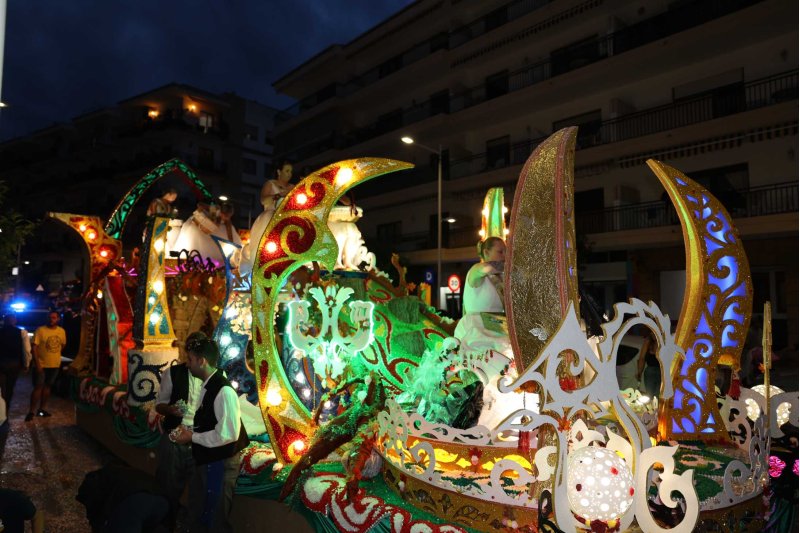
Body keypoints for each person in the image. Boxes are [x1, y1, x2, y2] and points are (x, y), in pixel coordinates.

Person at [173, 332, 249, 533]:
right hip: (209, 460)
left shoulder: (224, 391)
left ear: (201, 361)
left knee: (215, 519)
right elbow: (210, 423)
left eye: (190, 359)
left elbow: (228, 434)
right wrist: (190, 431)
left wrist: (192, 436)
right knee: (199, 511)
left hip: (220, 463)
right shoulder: (209, 386)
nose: (187, 364)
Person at [154, 358, 203, 511]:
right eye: (187, 356)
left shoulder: (217, 376)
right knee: (167, 488)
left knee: (199, 493)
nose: (187, 362)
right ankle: (165, 523)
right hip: (174, 437)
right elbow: (159, 405)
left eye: (191, 357)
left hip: (200, 441)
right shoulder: (174, 373)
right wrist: (170, 410)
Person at [453, 237, 511, 356]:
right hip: (477, 329)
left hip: (498, 327)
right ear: (486, 252)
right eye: (500, 252)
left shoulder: (501, 278)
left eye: (506, 252)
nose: (505, 256)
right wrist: (509, 266)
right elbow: (485, 268)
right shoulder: (476, 270)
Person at [240, 160, 293, 276]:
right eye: (287, 171)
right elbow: (263, 200)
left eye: (291, 171)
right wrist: (279, 195)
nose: (289, 174)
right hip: (270, 216)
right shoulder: (270, 184)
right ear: (279, 171)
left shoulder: (292, 187)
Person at [25, 311, 66, 422]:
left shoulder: (61, 331)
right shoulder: (40, 330)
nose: (51, 319)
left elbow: (62, 345)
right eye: (49, 317)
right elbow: (34, 348)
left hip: (54, 365)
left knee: (48, 387)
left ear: (58, 319)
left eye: (53, 317)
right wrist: (37, 363)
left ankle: (42, 409)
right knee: (38, 387)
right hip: (41, 365)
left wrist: (55, 357)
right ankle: (31, 411)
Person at [0, 313, 32, 410]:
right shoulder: (22, 333)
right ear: (15, 321)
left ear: (4, 321)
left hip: (1, 362)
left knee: (1, 388)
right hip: (14, 363)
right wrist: (26, 364)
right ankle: (6, 408)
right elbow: (26, 350)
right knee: (10, 387)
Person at [636, 333, 661, 398]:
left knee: (657, 395)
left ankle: (656, 407)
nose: (653, 333)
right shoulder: (648, 342)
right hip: (651, 372)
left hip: (661, 372)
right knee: (652, 395)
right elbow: (642, 358)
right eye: (651, 331)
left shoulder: (663, 341)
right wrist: (639, 372)